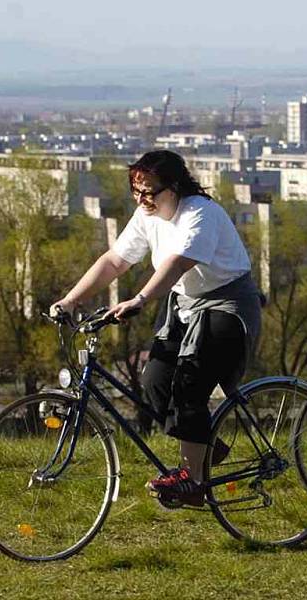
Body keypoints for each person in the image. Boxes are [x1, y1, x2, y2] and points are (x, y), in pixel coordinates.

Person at [51, 149, 261, 507]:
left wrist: (141, 299)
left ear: (175, 187)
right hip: (184, 305)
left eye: (149, 192)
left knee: (190, 384)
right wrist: (69, 301)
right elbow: (115, 260)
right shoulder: (146, 214)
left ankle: (192, 481)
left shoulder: (200, 213)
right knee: (155, 381)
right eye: (136, 190)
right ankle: (208, 451)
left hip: (228, 305)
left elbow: (179, 263)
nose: (141, 199)